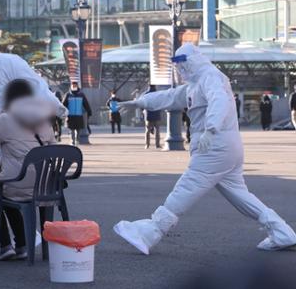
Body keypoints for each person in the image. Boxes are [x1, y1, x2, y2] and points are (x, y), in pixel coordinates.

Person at [115, 43, 296, 255]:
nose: (180, 70)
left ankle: (152, 230)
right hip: (222, 145)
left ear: (192, 62)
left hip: (214, 145)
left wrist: (211, 128)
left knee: (187, 187)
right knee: (240, 195)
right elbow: (171, 96)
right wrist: (141, 102)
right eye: (178, 66)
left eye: (183, 65)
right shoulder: (197, 81)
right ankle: (281, 231)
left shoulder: (210, 77)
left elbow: (219, 101)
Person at [0, 26, 66, 256]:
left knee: (0, 187)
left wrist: (57, 107)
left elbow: (36, 84)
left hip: (8, 133)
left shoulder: (8, 62)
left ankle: (10, 241)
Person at [0, 79, 58, 261]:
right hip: (45, 186)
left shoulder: (6, 118)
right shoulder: (44, 119)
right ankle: (22, 246)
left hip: (17, 182)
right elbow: (53, 147)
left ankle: (7, 245)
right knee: (9, 196)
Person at [62, 81, 92, 145]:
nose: (74, 87)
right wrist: (63, 112)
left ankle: (77, 140)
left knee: (78, 129)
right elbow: (63, 105)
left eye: (75, 86)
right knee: (72, 129)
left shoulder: (81, 95)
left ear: (77, 86)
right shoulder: (68, 95)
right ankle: (72, 141)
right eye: (73, 86)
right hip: (70, 115)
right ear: (71, 86)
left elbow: (86, 104)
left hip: (79, 115)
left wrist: (89, 111)